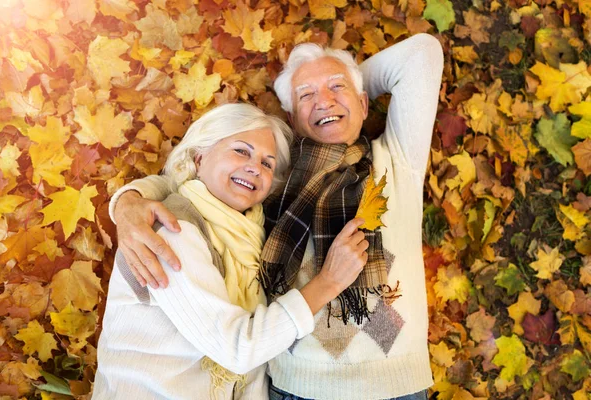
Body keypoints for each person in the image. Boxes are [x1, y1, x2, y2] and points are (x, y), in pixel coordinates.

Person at [110, 33, 444, 400]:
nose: (325, 101)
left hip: (396, 385)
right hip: (297, 387)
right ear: (291, 117)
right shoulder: (274, 178)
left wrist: (338, 79)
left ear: (366, 104)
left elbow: (421, 54)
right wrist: (129, 201)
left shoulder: (396, 160)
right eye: (306, 96)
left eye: (337, 89)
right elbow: (191, 179)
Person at [93, 103, 369, 400]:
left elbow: (251, 376)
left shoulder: (253, 236)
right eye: (241, 150)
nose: (254, 167)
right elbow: (237, 350)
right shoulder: (172, 231)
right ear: (199, 158)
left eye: (267, 163)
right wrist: (329, 282)